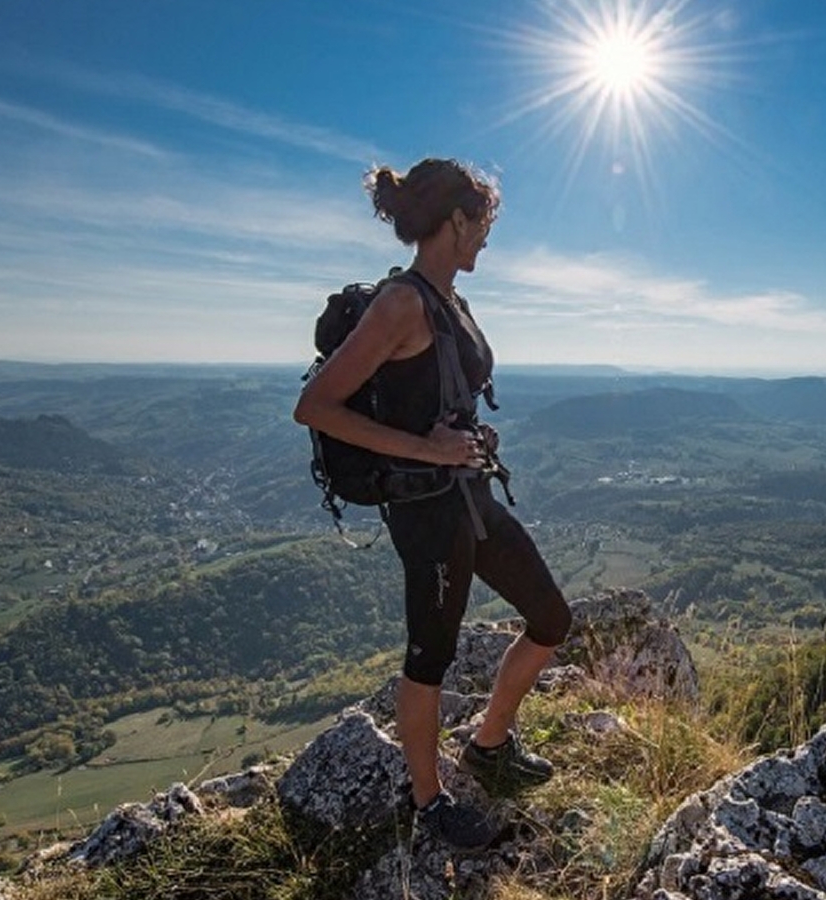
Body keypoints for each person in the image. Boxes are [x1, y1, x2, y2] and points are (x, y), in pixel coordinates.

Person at [293, 158, 572, 849]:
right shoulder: (401, 304)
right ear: (456, 220)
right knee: (430, 657)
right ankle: (427, 802)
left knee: (549, 616)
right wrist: (432, 452)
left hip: (469, 496)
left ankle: (489, 744)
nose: (486, 239)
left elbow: (435, 399)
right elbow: (315, 406)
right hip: (427, 511)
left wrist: (467, 435)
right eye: (483, 224)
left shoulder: (450, 301)